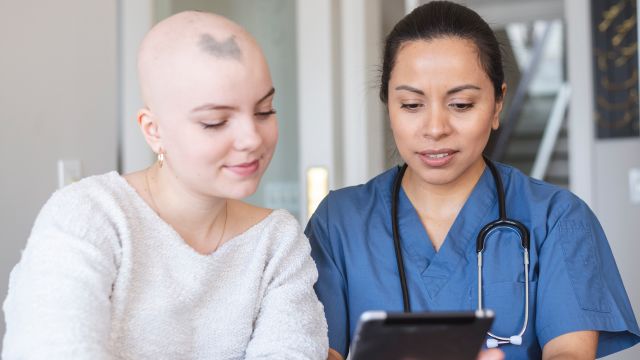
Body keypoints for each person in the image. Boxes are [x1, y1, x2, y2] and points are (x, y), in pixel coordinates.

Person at [306, 1, 640, 359]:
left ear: (498, 105)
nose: (435, 129)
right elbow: (318, 350)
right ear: (388, 104)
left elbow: (570, 353)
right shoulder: (338, 224)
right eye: (411, 105)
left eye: (461, 104)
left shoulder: (558, 218)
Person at [3, 11, 328, 359]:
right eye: (215, 122)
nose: (251, 138)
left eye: (264, 110)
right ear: (153, 130)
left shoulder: (276, 240)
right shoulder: (88, 218)